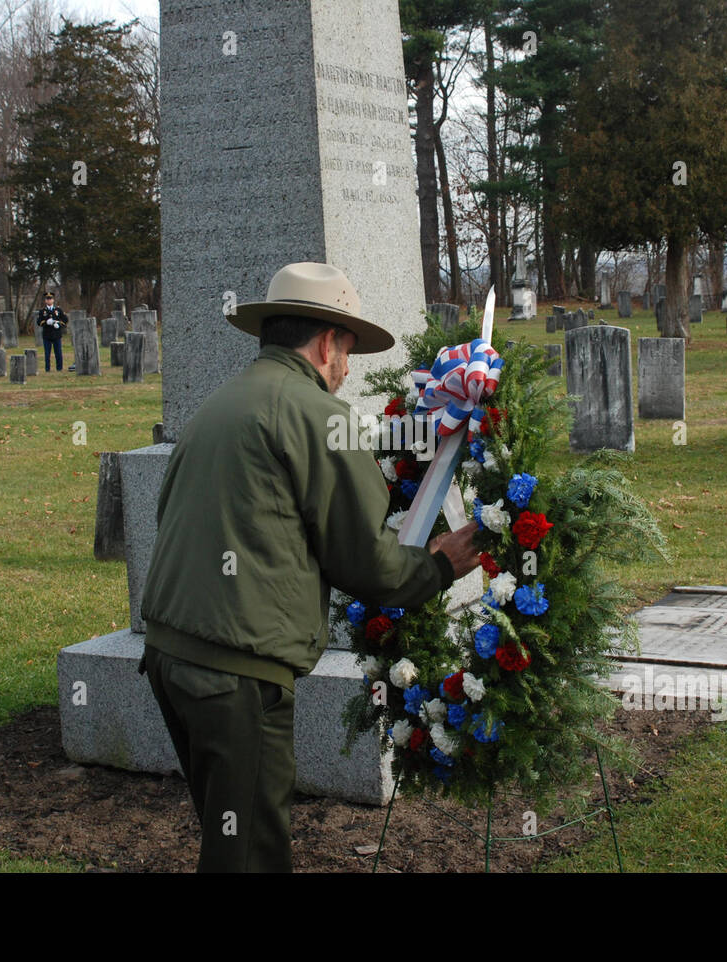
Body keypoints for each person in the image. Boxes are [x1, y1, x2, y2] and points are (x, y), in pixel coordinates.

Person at [138, 262, 480, 873]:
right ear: (327, 343)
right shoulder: (319, 416)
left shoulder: (223, 402)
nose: (347, 371)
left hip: (173, 655)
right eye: (348, 352)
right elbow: (369, 565)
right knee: (251, 856)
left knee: (229, 836)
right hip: (236, 671)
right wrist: (440, 563)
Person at [36, 292, 68, 371]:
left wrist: (59, 324)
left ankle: (59, 368)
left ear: (53, 300)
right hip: (47, 335)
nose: (49, 300)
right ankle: (47, 369)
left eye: (50, 299)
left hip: (56, 334)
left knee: (58, 353)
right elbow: (39, 322)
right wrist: (46, 322)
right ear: (45, 301)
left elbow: (65, 319)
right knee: (47, 354)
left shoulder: (58, 310)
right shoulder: (42, 311)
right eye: (47, 299)